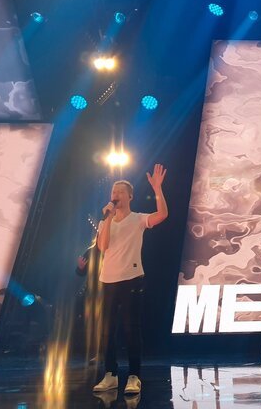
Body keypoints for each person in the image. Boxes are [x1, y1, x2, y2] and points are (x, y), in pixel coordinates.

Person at [92, 164, 168, 394]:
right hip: (108, 279)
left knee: (131, 329)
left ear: (130, 196)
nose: (115, 196)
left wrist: (157, 188)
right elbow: (103, 247)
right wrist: (106, 220)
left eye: (120, 192)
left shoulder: (137, 219)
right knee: (106, 330)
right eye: (113, 192)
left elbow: (163, 215)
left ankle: (134, 376)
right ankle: (110, 374)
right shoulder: (106, 222)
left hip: (132, 278)